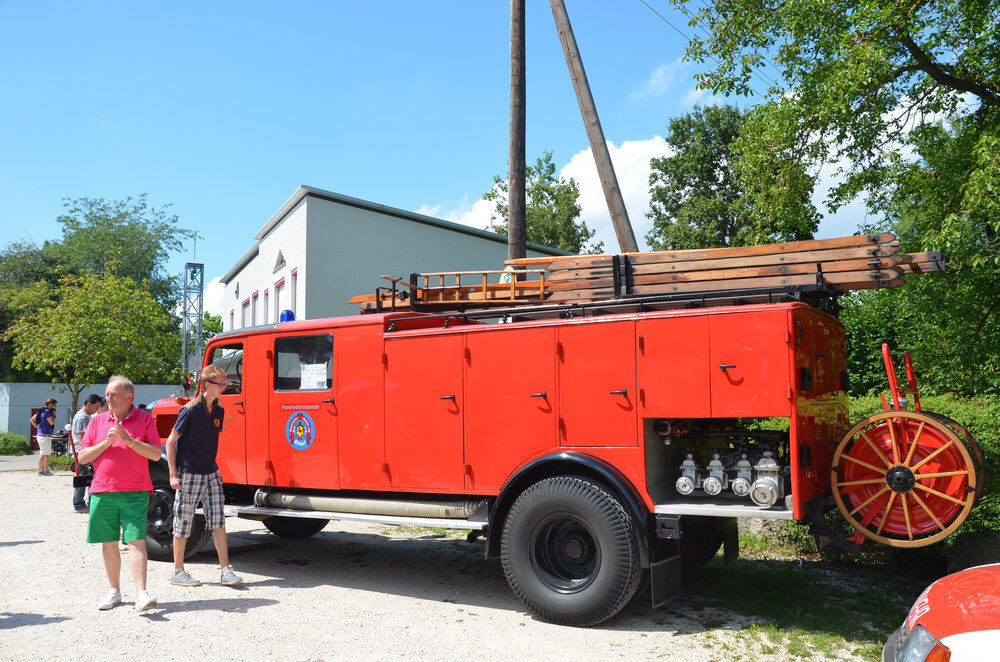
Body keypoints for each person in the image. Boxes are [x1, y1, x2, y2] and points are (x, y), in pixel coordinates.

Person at [77, 376, 161, 612]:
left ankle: (141, 594)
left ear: (129, 396)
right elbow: (83, 457)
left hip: (135, 490)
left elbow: (155, 454)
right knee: (109, 543)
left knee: (136, 541)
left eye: (113, 394)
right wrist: (106, 442)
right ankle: (114, 591)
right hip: (103, 490)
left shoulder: (145, 419)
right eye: (107, 395)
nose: (108, 399)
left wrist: (129, 440)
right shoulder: (96, 422)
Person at [165, 365, 242, 587]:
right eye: (221, 384)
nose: (224, 388)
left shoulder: (219, 411)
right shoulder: (189, 410)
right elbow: (170, 442)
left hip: (211, 473)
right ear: (207, 385)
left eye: (225, 384)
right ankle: (177, 572)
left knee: (218, 521)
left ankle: (225, 571)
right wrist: (173, 475)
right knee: (183, 522)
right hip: (189, 474)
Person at [71, 394, 103, 512]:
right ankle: (79, 504)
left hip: (82, 452)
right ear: (89, 404)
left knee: (86, 477)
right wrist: (88, 454)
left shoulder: (84, 416)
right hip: (82, 452)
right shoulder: (83, 417)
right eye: (97, 406)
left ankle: (87, 503)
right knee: (83, 478)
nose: (97, 410)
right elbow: (82, 437)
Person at [29, 397, 57, 476]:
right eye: (54, 405)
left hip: (40, 434)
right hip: (45, 435)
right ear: (50, 404)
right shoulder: (48, 411)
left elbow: (32, 420)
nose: (54, 407)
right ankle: (43, 471)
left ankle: (42, 471)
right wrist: (54, 415)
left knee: (44, 453)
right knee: (46, 454)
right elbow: (51, 422)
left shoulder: (40, 410)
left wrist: (38, 428)